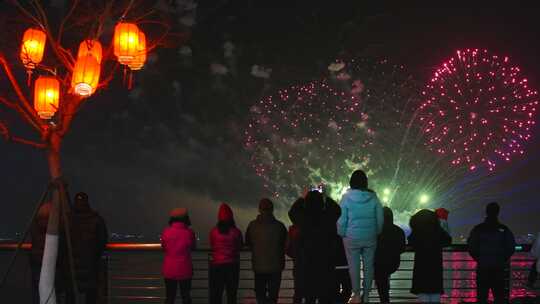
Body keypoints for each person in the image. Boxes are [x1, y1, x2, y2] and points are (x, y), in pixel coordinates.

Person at [337, 170, 384, 304]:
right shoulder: (374, 198)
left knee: (353, 266)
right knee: (369, 266)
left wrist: (342, 233)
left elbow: (341, 220)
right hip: (370, 237)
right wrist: (377, 231)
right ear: (365, 182)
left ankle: (356, 294)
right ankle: (367, 294)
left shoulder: (346, 198)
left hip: (351, 237)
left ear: (351, 182)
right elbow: (380, 218)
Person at [289, 190, 341, 304]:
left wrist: (301, 199)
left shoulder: (303, 219)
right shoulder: (327, 218)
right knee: (325, 298)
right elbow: (337, 210)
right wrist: (326, 198)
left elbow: (292, 212)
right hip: (325, 267)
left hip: (307, 268)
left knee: (309, 298)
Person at [468, 202, 515, 304]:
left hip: (483, 268)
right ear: (498, 212)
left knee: (482, 297)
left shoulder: (478, 229)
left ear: (486, 212)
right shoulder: (503, 229)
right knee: (499, 297)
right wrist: (502, 259)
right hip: (498, 268)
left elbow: (471, 247)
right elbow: (511, 247)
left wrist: (479, 258)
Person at [67, 192, 108, 304]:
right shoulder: (96, 220)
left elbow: (62, 243)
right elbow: (102, 241)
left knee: (71, 297)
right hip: (91, 267)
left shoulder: (67, 220)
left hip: (71, 268)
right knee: (90, 297)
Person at [245, 198, 287, 304]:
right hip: (276, 267)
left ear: (259, 209)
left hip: (259, 267)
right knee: (273, 297)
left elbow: (248, 243)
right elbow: (286, 244)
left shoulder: (252, 226)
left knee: (260, 296)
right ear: (272, 209)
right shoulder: (280, 226)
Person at [408, 209, 452, 303]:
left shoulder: (417, 232)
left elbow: (411, 241)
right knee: (435, 296)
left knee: (423, 296)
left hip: (421, 269)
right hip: (435, 269)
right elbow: (448, 240)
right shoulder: (438, 231)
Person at [209, 203, 243, 304]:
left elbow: (212, 245)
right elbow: (240, 246)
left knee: (216, 294)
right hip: (232, 265)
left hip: (217, 265)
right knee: (232, 294)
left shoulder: (213, 232)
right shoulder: (236, 232)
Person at [161, 207, 196, 304]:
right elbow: (193, 247)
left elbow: (164, 247)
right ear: (186, 218)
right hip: (185, 269)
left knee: (170, 297)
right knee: (186, 297)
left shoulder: (166, 232)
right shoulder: (189, 233)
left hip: (169, 269)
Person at [374, 207, 406, 304]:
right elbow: (402, 248)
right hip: (393, 263)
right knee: (384, 280)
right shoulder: (399, 231)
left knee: (381, 283)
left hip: (378, 263)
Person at [285, 199, 303, 304]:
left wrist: (296, 255)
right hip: (315, 265)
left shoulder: (293, 229)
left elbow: (287, 249)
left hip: (298, 265)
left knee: (298, 294)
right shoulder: (316, 226)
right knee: (313, 294)